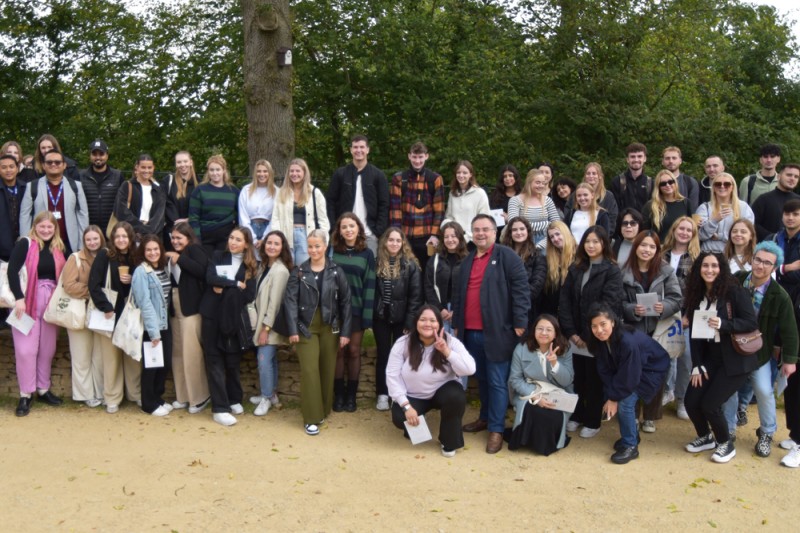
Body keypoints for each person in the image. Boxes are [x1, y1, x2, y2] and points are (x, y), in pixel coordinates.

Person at [454, 214, 530, 454]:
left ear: (494, 232)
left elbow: (521, 290)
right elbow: (458, 296)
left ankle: (497, 430)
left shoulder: (507, 256)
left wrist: (520, 321)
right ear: (471, 233)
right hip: (471, 333)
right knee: (483, 380)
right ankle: (485, 418)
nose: (481, 233)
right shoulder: (466, 261)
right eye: (476, 229)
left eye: (485, 229)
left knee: (497, 382)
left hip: (498, 332)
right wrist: (457, 324)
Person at [721, 242, 798, 458]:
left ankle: (766, 432)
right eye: (758, 259)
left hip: (759, 353)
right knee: (728, 390)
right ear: (752, 259)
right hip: (732, 348)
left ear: (774, 268)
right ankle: (727, 430)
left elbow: (789, 330)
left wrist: (790, 360)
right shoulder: (736, 280)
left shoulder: (779, 295)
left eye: (767, 263)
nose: (760, 265)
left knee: (764, 390)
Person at [682, 252, 759, 463]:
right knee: (691, 400)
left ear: (721, 268)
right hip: (710, 359)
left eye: (714, 266)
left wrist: (723, 325)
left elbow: (751, 323)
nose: (709, 270)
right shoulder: (696, 296)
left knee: (710, 404)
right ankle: (705, 437)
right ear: (699, 269)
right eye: (705, 265)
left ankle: (726, 443)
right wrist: (697, 365)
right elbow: (695, 336)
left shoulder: (734, 291)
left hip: (735, 361)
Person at [283, 229, 351, 435]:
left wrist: (345, 332)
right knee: (310, 370)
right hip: (306, 327)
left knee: (327, 369)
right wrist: (293, 329)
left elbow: (346, 303)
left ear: (325, 246)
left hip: (330, 326)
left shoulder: (337, 271)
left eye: (317, 246)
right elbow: (290, 302)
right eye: (310, 246)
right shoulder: (299, 272)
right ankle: (311, 418)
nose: (313, 250)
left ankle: (322, 409)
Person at [558, 225, 623, 439]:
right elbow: (565, 301)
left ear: (604, 244)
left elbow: (609, 303)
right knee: (577, 379)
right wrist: (572, 332)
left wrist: (588, 334)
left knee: (595, 380)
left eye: (596, 241)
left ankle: (593, 419)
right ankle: (577, 415)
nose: (591, 245)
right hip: (574, 336)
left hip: (597, 336)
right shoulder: (576, 269)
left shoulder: (612, 270)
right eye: (587, 241)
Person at [387, 305, 475, 457]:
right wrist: (406, 406)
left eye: (432, 320)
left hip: (442, 392)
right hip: (414, 395)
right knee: (400, 417)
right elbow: (392, 375)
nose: (427, 324)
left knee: (456, 396)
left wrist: (447, 352)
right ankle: (417, 423)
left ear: (440, 324)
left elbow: (470, 369)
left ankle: (448, 441)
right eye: (423, 320)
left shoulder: (451, 342)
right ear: (416, 323)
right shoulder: (403, 343)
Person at [587, 304, 670, 464]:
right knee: (616, 397)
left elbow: (630, 376)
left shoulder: (627, 341)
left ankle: (630, 445)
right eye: (594, 326)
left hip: (651, 368)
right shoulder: (599, 341)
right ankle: (632, 435)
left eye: (603, 324)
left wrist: (613, 397)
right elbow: (604, 369)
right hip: (632, 369)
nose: (599, 330)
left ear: (613, 322)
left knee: (625, 403)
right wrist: (611, 393)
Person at [620, 230, 682, 433]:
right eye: (643, 245)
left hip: (658, 329)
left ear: (657, 250)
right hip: (634, 330)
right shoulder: (623, 271)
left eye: (652, 247)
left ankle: (650, 416)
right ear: (636, 247)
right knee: (633, 371)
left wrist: (663, 306)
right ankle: (634, 413)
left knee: (657, 372)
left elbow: (677, 298)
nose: (647, 250)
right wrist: (631, 310)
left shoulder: (666, 271)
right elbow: (616, 301)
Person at [7, 211, 67, 416]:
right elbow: (11, 271)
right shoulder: (25, 243)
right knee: (25, 350)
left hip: (51, 300)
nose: (46, 230)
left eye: (50, 226)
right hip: (26, 300)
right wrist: (18, 298)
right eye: (42, 226)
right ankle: (25, 394)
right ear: (35, 226)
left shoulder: (58, 248)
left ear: (55, 228)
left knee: (47, 348)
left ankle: (43, 389)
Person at [199, 227, 258, 426]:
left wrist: (223, 287)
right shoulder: (217, 255)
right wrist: (234, 284)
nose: (232, 242)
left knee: (232, 360)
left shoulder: (251, 266)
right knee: (214, 360)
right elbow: (211, 279)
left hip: (233, 318)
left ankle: (234, 399)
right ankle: (219, 409)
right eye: (231, 237)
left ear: (246, 244)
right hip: (211, 316)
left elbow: (249, 294)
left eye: (238, 239)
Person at [88, 221, 140, 413]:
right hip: (110, 313)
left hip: (131, 312)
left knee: (132, 355)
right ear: (112, 238)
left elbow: (144, 281)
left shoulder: (136, 256)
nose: (121, 240)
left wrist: (132, 278)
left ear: (130, 238)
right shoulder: (104, 255)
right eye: (117, 236)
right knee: (111, 359)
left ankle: (135, 394)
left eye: (124, 236)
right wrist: (106, 307)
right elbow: (93, 284)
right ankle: (112, 397)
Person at [507, 314, 574, 455]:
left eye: (549, 330)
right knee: (534, 410)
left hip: (557, 393)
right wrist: (536, 398)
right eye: (540, 329)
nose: (544, 333)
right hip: (529, 391)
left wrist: (555, 363)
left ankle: (546, 444)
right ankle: (526, 440)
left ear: (555, 333)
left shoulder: (565, 349)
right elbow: (515, 379)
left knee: (552, 414)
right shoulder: (521, 348)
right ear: (533, 331)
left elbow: (567, 381)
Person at [372, 227, 423, 411]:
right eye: (390, 240)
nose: (394, 243)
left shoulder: (411, 265)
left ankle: (400, 395)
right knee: (383, 356)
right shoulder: (377, 263)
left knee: (402, 358)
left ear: (403, 243)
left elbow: (415, 296)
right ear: (385, 242)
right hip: (381, 318)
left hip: (402, 319)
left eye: (398, 240)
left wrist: (410, 322)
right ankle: (383, 394)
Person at [330, 214, 376, 413]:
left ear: (358, 228)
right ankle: (339, 395)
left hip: (357, 309)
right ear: (339, 230)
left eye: (352, 226)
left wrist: (367, 317)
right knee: (338, 352)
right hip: (335, 310)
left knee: (354, 351)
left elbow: (370, 287)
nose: (348, 230)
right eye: (344, 227)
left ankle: (351, 396)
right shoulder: (332, 252)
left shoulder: (367, 254)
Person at [164, 222, 211, 415]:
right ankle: (182, 396)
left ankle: (199, 397)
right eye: (173, 238)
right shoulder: (169, 254)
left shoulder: (195, 250)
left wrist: (179, 259)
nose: (175, 241)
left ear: (188, 238)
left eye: (179, 238)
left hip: (191, 308)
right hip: (174, 307)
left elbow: (203, 271)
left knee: (192, 352)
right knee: (178, 353)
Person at [60, 225, 106, 408]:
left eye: (95, 238)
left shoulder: (107, 256)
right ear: (84, 241)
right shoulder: (75, 258)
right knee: (81, 356)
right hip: (79, 310)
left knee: (99, 356)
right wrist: (94, 292)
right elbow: (69, 285)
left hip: (100, 312)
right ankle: (84, 394)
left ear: (101, 239)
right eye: (89, 239)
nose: (92, 242)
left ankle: (100, 391)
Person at [770, 199, 800, 467]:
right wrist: (788, 268)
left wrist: (783, 271)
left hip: (798, 311)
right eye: (787, 213)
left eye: (796, 214)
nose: (790, 218)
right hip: (780, 310)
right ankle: (794, 433)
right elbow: (771, 272)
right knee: (789, 377)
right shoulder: (775, 237)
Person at [662, 216, 701, 419]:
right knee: (665, 356)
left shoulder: (696, 258)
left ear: (693, 235)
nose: (684, 232)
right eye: (681, 228)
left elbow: (698, 291)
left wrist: (688, 316)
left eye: (689, 230)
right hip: (663, 314)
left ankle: (682, 399)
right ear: (674, 229)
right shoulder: (662, 254)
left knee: (685, 358)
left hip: (686, 316)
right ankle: (665, 391)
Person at [250, 230, 293, 416]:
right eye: (269, 243)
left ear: (282, 247)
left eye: (276, 243)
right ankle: (271, 394)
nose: (272, 246)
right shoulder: (263, 266)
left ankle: (266, 397)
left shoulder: (281, 271)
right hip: (262, 323)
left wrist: (265, 329)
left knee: (264, 360)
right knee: (271, 360)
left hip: (270, 325)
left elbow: (275, 304)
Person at [131, 235, 173, 417]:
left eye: (156, 249)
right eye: (149, 250)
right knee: (152, 365)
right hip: (152, 326)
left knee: (164, 363)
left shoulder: (163, 267)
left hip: (165, 323)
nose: (153, 252)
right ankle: (148, 404)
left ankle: (157, 397)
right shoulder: (141, 271)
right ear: (143, 252)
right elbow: (144, 303)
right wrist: (153, 331)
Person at [326, 135, 389, 255]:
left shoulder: (378, 175)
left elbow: (384, 204)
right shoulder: (340, 174)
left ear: (368, 149)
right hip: (343, 235)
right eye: (355, 147)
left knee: (369, 272)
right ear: (350, 150)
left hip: (369, 235)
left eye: (362, 147)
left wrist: (378, 231)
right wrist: (335, 228)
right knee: (340, 271)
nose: (358, 150)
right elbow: (331, 202)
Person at [20, 149, 89, 256]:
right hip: (41, 244)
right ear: (43, 165)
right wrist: (25, 244)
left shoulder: (76, 186)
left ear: (64, 165)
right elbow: (25, 216)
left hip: (69, 243)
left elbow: (83, 215)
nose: (53, 164)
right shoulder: (32, 186)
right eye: (49, 162)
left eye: (57, 162)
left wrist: (82, 245)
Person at [389, 142, 445, 272]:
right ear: (409, 156)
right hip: (405, 236)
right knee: (404, 273)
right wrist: (397, 235)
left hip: (427, 238)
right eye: (414, 157)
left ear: (426, 156)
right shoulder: (399, 178)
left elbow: (439, 210)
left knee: (428, 274)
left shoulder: (435, 179)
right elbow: (395, 210)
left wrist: (435, 235)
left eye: (420, 157)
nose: (417, 161)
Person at [271, 158, 330, 266]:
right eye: (292, 171)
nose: (294, 174)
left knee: (303, 270)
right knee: (285, 269)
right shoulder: (281, 193)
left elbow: (323, 220)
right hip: (286, 235)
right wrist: (277, 237)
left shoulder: (314, 193)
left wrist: (323, 240)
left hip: (306, 236)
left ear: (304, 173)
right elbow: (275, 217)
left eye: (298, 171)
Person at [188, 155, 240, 255]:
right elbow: (194, 217)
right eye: (211, 170)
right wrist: (197, 239)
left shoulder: (234, 191)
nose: (215, 173)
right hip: (205, 238)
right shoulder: (199, 190)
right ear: (208, 171)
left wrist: (235, 237)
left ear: (224, 170)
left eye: (218, 169)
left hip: (226, 238)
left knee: (223, 268)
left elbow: (239, 216)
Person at [500, 216, 546, 324]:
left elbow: (536, 287)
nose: (518, 232)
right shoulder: (501, 255)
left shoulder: (538, 256)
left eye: (522, 229)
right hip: (502, 309)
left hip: (526, 311)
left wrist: (515, 300)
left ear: (528, 231)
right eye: (514, 230)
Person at [424, 221, 468, 334]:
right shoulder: (434, 259)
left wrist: (457, 311)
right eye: (446, 237)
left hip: (461, 311)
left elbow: (470, 287)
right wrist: (440, 309)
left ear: (460, 237)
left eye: (453, 236)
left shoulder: (468, 260)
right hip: (438, 311)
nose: (450, 240)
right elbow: (428, 286)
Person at [696, 172, 754, 253]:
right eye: (718, 184)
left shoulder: (744, 207)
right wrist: (714, 220)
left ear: (732, 187)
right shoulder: (704, 208)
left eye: (726, 184)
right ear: (713, 188)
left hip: (734, 254)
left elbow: (747, 235)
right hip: (709, 253)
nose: (722, 186)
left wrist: (719, 236)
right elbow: (701, 235)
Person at [113, 154, 167, 239]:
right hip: (131, 235)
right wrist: (141, 228)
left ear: (153, 168)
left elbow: (159, 215)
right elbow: (121, 211)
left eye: (149, 167)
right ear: (137, 167)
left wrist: (149, 230)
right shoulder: (127, 186)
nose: (146, 170)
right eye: (143, 167)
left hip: (153, 236)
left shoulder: (158, 189)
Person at [507, 168, 560, 249]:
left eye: (543, 183)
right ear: (529, 182)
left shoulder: (547, 200)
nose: (541, 186)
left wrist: (540, 245)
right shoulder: (515, 200)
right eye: (538, 183)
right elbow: (513, 224)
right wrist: (546, 224)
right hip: (522, 239)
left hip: (546, 239)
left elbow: (557, 224)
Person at [441, 160, 491, 244]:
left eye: (465, 173)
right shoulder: (452, 193)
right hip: (455, 240)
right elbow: (449, 217)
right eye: (458, 172)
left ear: (470, 175)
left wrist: (468, 236)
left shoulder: (480, 193)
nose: (461, 175)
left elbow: (484, 218)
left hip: (472, 240)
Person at [80, 139, 123, 231]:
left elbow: (123, 203)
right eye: (94, 154)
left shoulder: (117, 175)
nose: (98, 157)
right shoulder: (81, 176)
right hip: (89, 229)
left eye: (101, 154)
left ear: (107, 155)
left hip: (111, 229)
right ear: (90, 156)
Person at [751, 164, 800, 241]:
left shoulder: (798, 201)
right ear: (779, 177)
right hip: (768, 247)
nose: (792, 179)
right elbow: (752, 222)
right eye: (789, 175)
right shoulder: (764, 199)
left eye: (796, 176)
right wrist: (773, 238)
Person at [641, 169, 692, 242]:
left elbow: (692, 229)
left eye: (670, 182)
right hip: (659, 249)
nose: (667, 185)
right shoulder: (650, 206)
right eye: (663, 183)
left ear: (675, 183)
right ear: (658, 187)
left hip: (680, 248)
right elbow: (645, 232)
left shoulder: (686, 203)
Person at [163, 151, 199, 248]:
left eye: (185, 161)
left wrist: (188, 220)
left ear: (191, 162)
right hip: (172, 232)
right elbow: (166, 203)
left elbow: (202, 208)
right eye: (179, 162)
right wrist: (177, 222)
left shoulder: (199, 183)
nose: (182, 165)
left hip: (192, 232)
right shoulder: (168, 181)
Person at [238, 159, 276, 249]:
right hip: (250, 228)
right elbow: (243, 216)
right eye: (259, 171)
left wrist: (265, 238)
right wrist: (253, 239)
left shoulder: (276, 192)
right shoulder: (246, 190)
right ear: (255, 173)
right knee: (250, 260)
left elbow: (275, 217)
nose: (262, 174)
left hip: (269, 229)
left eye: (265, 171)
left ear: (270, 173)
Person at [541, 220, 577, 317]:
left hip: (573, 311)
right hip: (553, 312)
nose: (555, 239)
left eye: (557, 234)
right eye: (552, 237)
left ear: (565, 233)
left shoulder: (579, 255)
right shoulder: (549, 259)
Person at [610, 143, 652, 214]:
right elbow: (613, 209)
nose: (636, 159)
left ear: (645, 159)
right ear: (627, 159)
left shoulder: (651, 183)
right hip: (624, 224)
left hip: (645, 224)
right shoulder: (617, 182)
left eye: (639, 156)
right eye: (632, 157)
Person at [0, 153, 27, 261]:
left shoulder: (26, 187)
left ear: (17, 168)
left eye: (11, 166)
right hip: (3, 244)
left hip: (23, 241)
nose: (8, 170)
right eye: (3, 167)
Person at [578, 162, 618, 230]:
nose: (591, 176)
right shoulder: (577, 194)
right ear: (585, 176)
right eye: (588, 173)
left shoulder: (608, 196)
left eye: (594, 173)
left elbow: (612, 219)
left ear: (600, 176)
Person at [661, 146, 699, 211]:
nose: (671, 161)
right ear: (663, 161)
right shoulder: (657, 182)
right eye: (667, 158)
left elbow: (693, 209)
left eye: (674, 158)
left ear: (680, 161)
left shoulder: (690, 182)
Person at [489, 164, 522, 232]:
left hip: (518, 231)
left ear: (515, 177)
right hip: (498, 231)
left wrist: (509, 218)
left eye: (510, 175)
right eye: (505, 176)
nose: (507, 178)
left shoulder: (522, 194)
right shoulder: (495, 195)